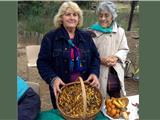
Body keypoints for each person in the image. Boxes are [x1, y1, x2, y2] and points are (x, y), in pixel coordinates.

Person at [37, 1, 100, 109]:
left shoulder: (86, 37)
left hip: (84, 88)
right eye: (68, 14)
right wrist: (53, 79)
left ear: (79, 18)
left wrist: (94, 73)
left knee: (84, 113)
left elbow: (95, 57)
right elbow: (42, 63)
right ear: (61, 18)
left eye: (75, 14)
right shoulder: (50, 38)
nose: (72, 18)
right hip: (62, 89)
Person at [89, 1, 129, 100]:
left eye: (106, 15)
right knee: (96, 100)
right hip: (97, 72)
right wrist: (100, 59)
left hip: (114, 73)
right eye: (100, 15)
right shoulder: (91, 32)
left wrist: (116, 57)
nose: (103, 18)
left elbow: (124, 49)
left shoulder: (120, 31)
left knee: (116, 102)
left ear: (113, 16)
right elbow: (87, 53)